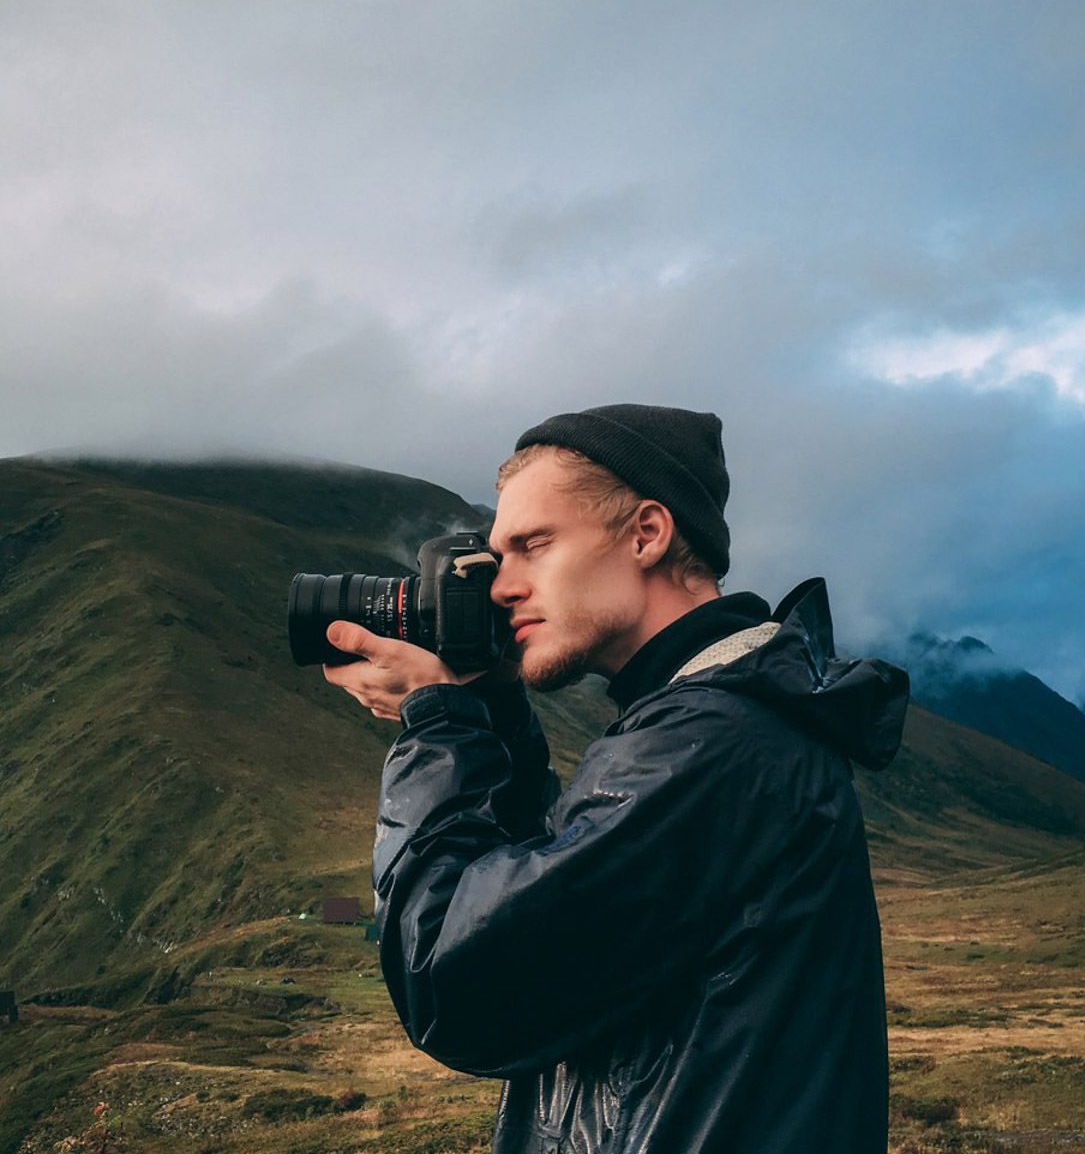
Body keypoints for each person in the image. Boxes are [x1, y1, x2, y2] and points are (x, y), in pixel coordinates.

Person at [323, 404, 909, 1153]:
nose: (503, 585)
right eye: (498, 556)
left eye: (532, 545)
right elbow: (549, 912)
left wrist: (436, 722)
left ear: (647, 534)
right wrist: (493, 705)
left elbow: (454, 985)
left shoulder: (710, 743)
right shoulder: (699, 721)